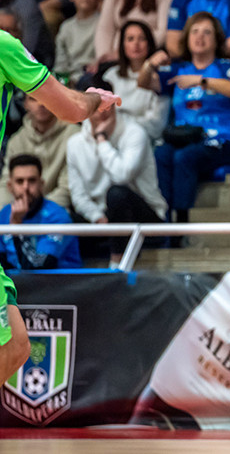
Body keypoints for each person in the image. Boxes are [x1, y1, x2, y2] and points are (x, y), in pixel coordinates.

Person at [0, 28, 120, 384]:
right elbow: (69, 109)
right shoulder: (4, 46)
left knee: (17, 344)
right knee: (14, 345)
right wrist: (93, 100)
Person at [139, 11, 230, 223]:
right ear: (186, 39)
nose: (200, 37)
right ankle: (163, 217)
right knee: (161, 154)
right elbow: (144, 83)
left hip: (222, 141)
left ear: (216, 40)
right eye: (195, 32)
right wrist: (149, 65)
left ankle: (182, 221)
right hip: (184, 138)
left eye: (207, 32)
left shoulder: (225, 68)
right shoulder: (179, 70)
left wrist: (202, 81)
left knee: (184, 158)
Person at [66, 104, 166, 266]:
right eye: (97, 105)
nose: (103, 110)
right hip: (102, 218)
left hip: (143, 216)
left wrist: (101, 140)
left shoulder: (135, 133)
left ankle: (117, 263)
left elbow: (121, 176)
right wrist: (97, 217)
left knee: (116, 194)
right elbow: (77, 195)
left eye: (108, 105)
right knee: (65, 218)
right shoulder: (74, 144)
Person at [0, 154, 82, 271]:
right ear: (10, 186)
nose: (26, 187)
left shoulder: (58, 217)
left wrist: (17, 227)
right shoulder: (3, 215)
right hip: (18, 285)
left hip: (60, 285)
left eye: (31, 181)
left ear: (41, 184)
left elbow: (39, 267)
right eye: (20, 181)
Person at [0, 96, 78, 209]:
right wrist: (5, 215)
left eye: (46, 97)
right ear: (25, 104)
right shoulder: (16, 140)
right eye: (33, 99)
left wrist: (35, 213)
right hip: (22, 212)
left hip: (60, 211)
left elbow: (68, 188)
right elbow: (6, 183)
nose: (41, 103)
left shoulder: (73, 136)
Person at [100, 20, 170, 141]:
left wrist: (120, 125)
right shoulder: (111, 75)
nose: (136, 44)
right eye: (130, 39)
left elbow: (156, 126)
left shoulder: (159, 79)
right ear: (122, 45)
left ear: (150, 44)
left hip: (143, 139)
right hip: (109, 136)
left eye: (142, 39)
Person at [54, 0, 101, 86]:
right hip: (69, 81)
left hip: (93, 79)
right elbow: (60, 65)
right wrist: (62, 84)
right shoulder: (66, 27)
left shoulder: (103, 23)